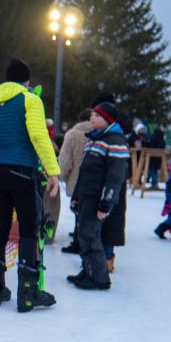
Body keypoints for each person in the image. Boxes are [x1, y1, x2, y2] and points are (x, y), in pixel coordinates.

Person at [0, 58, 60, 311]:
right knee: (28, 231)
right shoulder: (29, 99)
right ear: (27, 80)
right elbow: (38, 136)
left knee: (0, 229)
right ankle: (28, 293)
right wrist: (52, 171)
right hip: (24, 170)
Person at [66, 103, 128, 290]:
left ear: (108, 119)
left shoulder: (115, 141)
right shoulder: (94, 139)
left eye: (97, 116)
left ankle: (100, 278)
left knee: (90, 235)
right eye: (92, 114)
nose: (92, 118)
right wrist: (76, 195)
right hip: (86, 195)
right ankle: (88, 270)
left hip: (97, 198)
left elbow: (115, 177)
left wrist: (106, 203)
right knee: (83, 235)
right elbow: (84, 171)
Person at [57, 108, 94, 254]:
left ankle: (78, 241)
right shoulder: (98, 133)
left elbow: (65, 160)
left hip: (76, 178)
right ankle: (80, 236)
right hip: (93, 179)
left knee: (77, 209)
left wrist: (63, 175)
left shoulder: (72, 134)